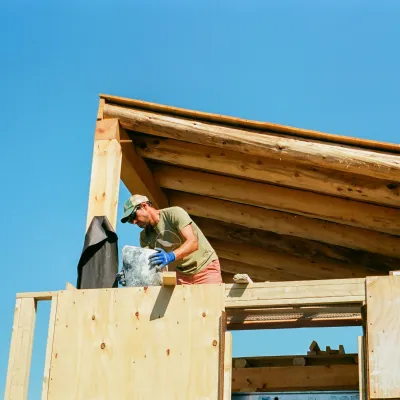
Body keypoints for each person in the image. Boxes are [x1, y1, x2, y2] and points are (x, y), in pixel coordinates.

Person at [120, 194, 222, 285]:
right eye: (129, 220)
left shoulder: (174, 214)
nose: (133, 222)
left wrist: (171, 256)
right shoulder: (144, 237)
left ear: (144, 206)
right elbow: (150, 266)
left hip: (205, 268)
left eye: (133, 216)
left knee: (211, 304)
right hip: (181, 276)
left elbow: (193, 243)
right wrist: (130, 274)